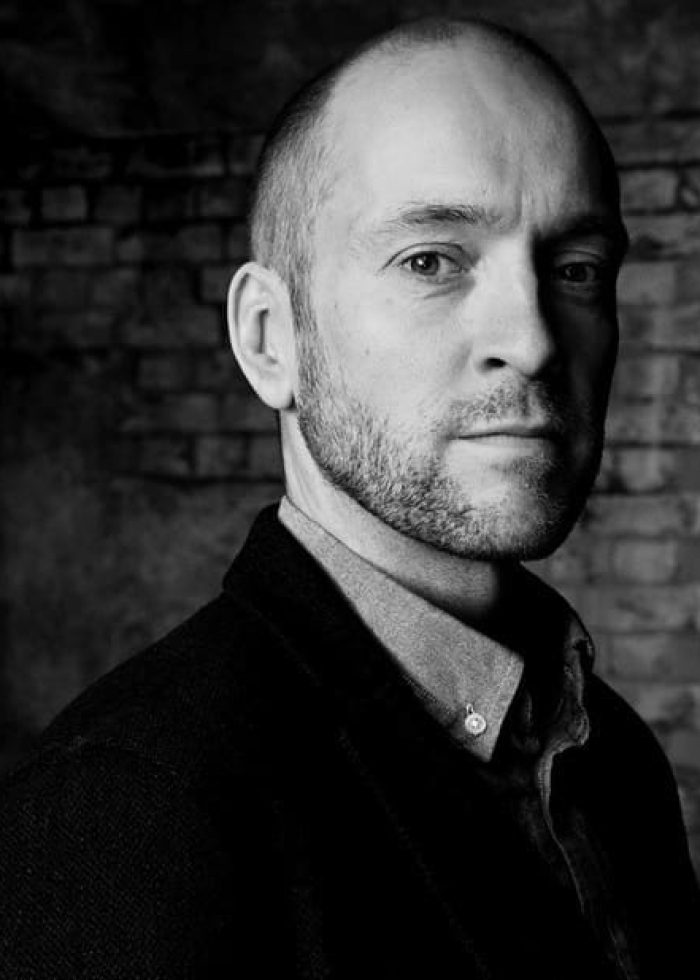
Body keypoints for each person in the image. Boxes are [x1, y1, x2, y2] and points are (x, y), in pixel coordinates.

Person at [0, 16, 697, 980]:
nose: (534, 339)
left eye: (576, 269)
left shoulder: (611, 760)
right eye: (431, 261)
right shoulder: (128, 810)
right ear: (269, 339)